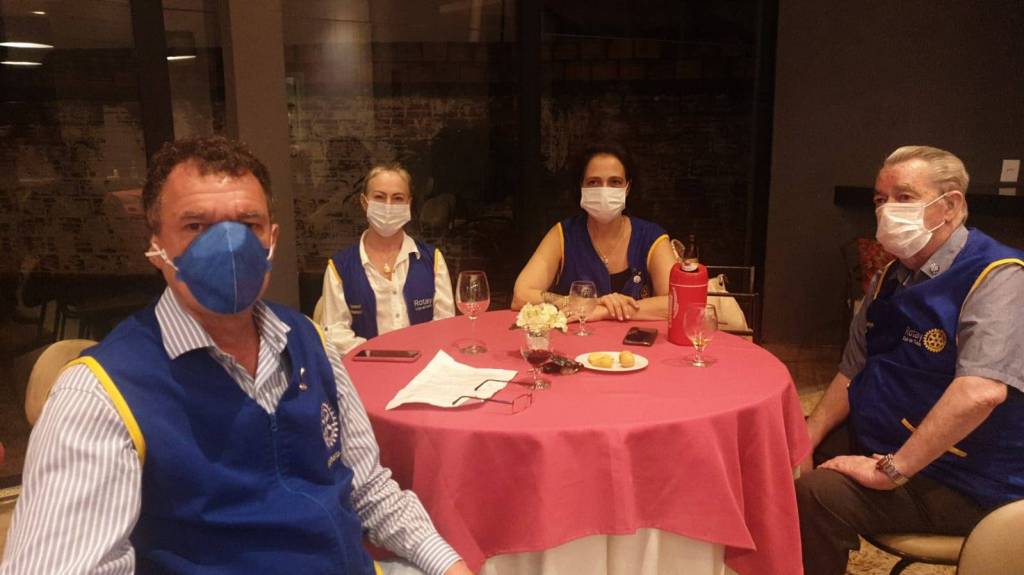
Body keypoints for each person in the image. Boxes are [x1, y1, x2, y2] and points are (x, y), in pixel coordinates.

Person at [0, 136, 472, 575]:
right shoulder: (100, 397)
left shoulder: (310, 342)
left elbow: (370, 491)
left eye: (247, 225)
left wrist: (448, 565)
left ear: (272, 239)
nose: (228, 247)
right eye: (196, 226)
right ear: (156, 245)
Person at [796, 146, 1024, 575]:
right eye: (880, 200)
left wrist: (890, 470)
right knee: (777, 454)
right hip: (887, 437)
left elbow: (980, 393)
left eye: (904, 197)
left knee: (816, 494)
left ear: (950, 206)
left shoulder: (999, 278)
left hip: (965, 475)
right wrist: (806, 436)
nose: (887, 211)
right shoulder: (891, 276)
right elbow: (853, 369)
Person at [511, 144, 677, 321]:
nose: (604, 190)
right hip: (575, 337)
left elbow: (676, 302)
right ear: (581, 186)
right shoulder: (563, 234)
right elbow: (521, 295)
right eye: (593, 182)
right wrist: (588, 302)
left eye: (615, 182)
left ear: (627, 187)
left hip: (634, 339)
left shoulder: (652, 237)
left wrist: (605, 311)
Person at [319, 163, 454, 355]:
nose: (388, 206)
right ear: (364, 202)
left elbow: (445, 324)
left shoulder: (433, 261)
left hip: (424, 364)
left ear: (409, 204)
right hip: (365, 367)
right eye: (380, 197)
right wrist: (378, 357)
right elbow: (335, 333)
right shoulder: (339, 268)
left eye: (398, 198)